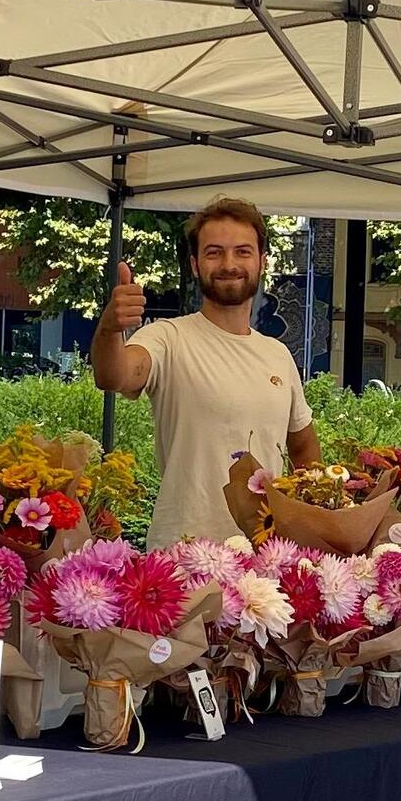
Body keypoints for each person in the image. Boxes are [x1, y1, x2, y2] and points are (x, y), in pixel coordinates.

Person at [93, 196, 320, 547]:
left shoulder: (277, 354)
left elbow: (303, 446)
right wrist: (109, 330)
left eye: (243, 252)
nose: (229, 264)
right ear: (196, 264)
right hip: (182, 563)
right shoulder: (168, 337)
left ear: (262, 262)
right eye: (214, 252)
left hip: (267, 563)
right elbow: (116, 375)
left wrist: (316, 516)